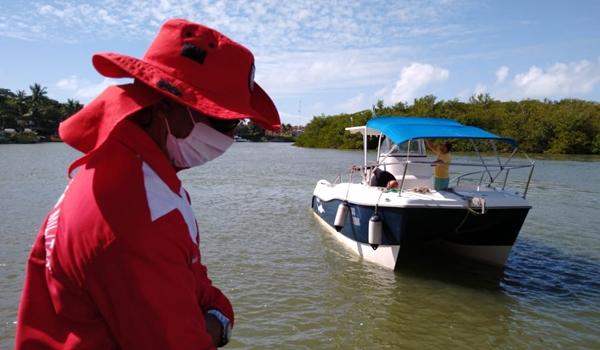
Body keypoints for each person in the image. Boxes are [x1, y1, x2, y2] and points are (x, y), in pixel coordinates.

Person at [15, 19, 280, 349]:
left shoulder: (127, 171)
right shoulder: (137, 215)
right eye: (221, 119)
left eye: (236, 121)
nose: (230, 134)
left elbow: (187, 272)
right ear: (165, 104)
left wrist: (216, 310)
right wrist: (219, 323)